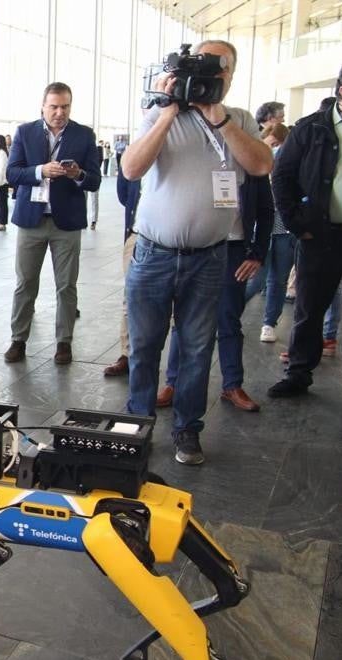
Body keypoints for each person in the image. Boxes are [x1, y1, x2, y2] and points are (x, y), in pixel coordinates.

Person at [120, 39, 272, 464]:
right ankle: (139, 425)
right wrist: (169, 110)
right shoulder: (157, 112)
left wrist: (219, 120)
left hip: (209, 257)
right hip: (154, 255)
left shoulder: (238, 119)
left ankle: (188, 429)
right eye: (200, 66)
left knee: (197, 347)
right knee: (146, 345)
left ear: (230, 76)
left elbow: (261, 165)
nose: (208, 76)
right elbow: (131, 169)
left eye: (217, 69)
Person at [267, 59, 342, 397]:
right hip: (321, 235)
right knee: (310, 306)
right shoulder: (311, 128)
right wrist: (295, 224)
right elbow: (282, 177)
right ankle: (299, 373)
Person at [4, 82, 102, 364]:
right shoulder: (25, 132)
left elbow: (94, 180)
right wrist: (40, 171)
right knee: (25, 283)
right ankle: (18, 340)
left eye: (65, 106)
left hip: (66, 222)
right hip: (31, 221)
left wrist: (77, 174)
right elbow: (12, 173)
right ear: (43, 107)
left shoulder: (84, 135)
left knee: (66, 286)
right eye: (54, 106)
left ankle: (64, 342)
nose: (59, 112)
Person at [158, 172, 271, 412]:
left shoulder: (249, 162)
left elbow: (266, 210)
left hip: (234, 249)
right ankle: (174, 382)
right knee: (184, 318)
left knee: (229, 319)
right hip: (195, 247)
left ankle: (232, 385)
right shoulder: (197, 153)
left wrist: (257, 254)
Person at [244, 123, 293, 343]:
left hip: (285, 231)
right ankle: (228, 316)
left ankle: (269, 323)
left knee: (279, 281)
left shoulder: (291, 167)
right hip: (260, 232)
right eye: (271, 144)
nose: (275, 149)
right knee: (254, 280)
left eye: (279, 144)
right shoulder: (255, 167)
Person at [103, 170, 141, 377]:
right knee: (130, 298)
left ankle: (175, 371)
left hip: (175, 238)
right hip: (137, 236)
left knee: (176, 310)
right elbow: (124, 194)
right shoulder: (136, 153)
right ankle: (126, 354)